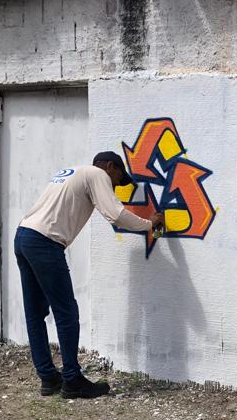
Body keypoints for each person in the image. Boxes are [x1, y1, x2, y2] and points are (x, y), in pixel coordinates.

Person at [14, 152, 164, 399]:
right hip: (44, 242)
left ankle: (49, 378)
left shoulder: (72, 171)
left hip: (23, 236)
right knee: (66, 313)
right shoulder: (97, 174)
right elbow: (115, 214)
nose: (115, 185)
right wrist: (150, 224)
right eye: (117, 178)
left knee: (35, 312)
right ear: (109, 166)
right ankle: (72, 381)